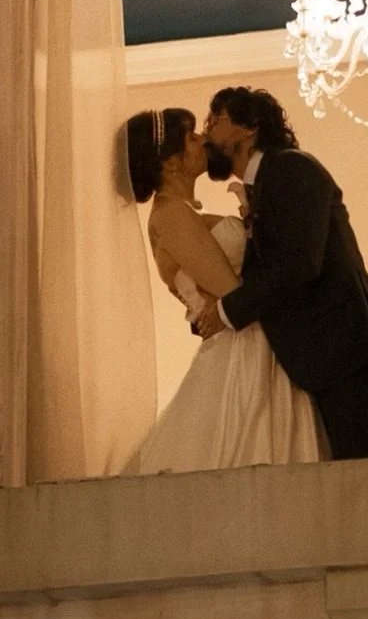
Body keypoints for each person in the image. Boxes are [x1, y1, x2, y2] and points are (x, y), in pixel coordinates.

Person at [190, 86, 368, 461]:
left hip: (347, 353)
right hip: (322, 360)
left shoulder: (291, 168)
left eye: (216, 120)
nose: (207, 133)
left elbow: (300, 263)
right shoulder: (267, 182)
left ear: (248, 126)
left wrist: (226, 312)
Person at [121, 105, 323, 475]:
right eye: (193, 137)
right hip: (243, 348)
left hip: (252, 338)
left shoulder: (183, 214)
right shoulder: (170, 215)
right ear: (170, 164)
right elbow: (229, 289)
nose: (203, 142)